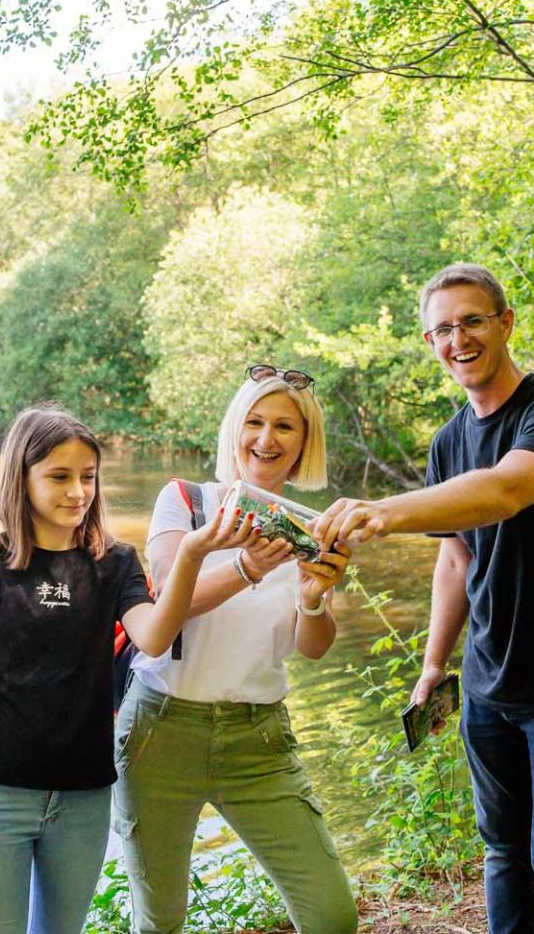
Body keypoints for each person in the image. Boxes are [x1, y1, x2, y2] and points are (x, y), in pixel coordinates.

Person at [313, 265, 534, 934]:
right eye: (444, 329)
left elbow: (507, 490)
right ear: (430, 343)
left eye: (473, 320)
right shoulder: (449, 441)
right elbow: (456, 556)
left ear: (505, 323)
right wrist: (433, 667)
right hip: (487, 689)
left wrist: (385, 512)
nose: (459, 339)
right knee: (503, 855)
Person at [0, 404, 258, 934]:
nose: (78, 492)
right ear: (20, 479)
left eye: (88, 477)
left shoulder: (114, 563)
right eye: (59, 477)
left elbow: (155, 635)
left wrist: (189, 554)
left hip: (83, 800)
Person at [113, 364, 360, 934]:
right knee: (160, 921)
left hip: (260, 739)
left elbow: (313, 647)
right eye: (254, 422)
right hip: (160, 732)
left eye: (284, 427)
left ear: (304, 443)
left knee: (332, 917)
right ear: (234, 429)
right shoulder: (186, 502)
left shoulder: (313, 530)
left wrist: (316, 597)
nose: (266, 439)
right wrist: (248, 566)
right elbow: (170, 602)